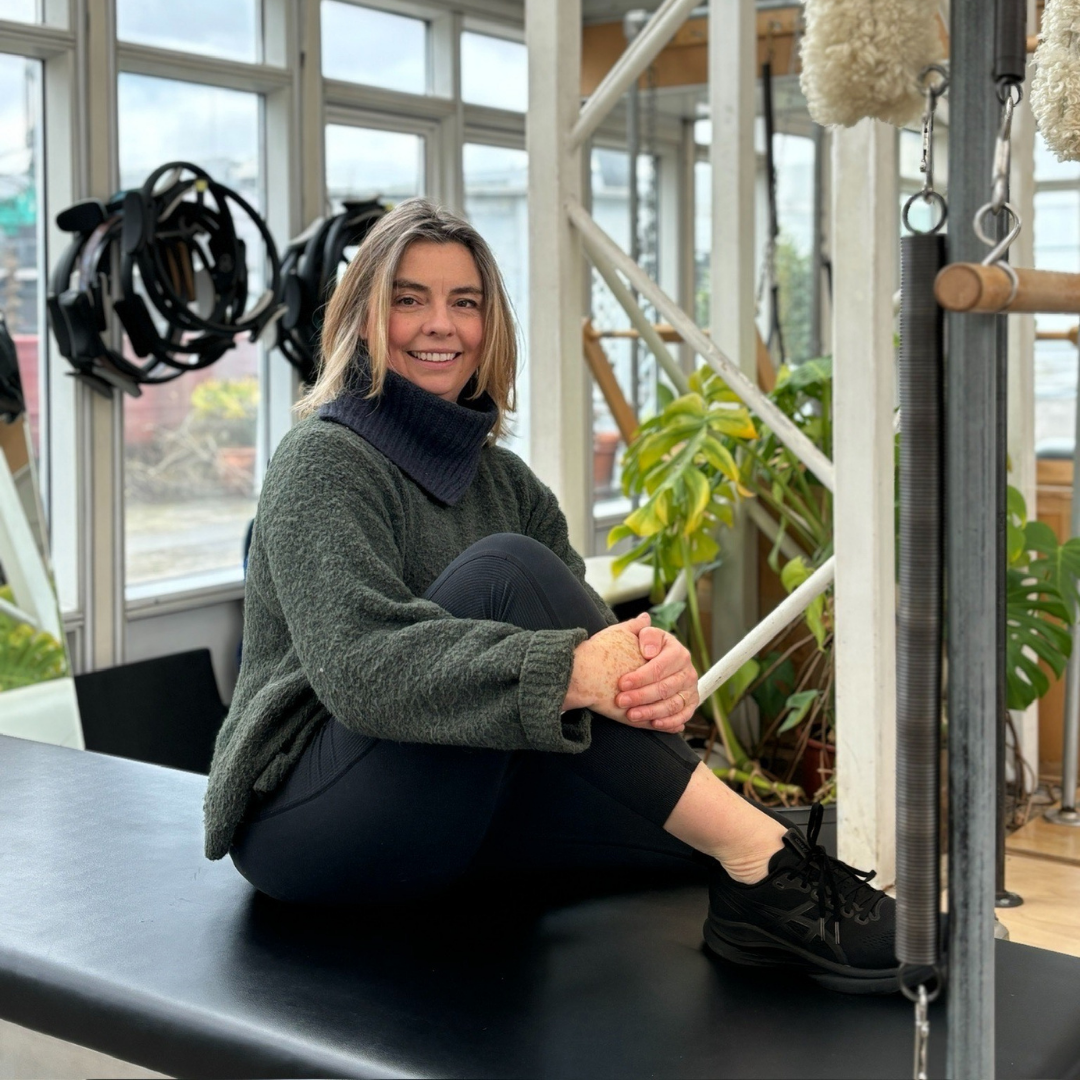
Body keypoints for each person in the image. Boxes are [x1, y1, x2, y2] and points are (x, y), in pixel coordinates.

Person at [204, 198, 903, 995]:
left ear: (489, 326)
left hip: (468, 809)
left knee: (779, 829)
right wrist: (577, 666)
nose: (441, 325)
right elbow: (363, 670)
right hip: (315, 824)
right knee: (507, 574)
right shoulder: (323, 461)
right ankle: (766, 863)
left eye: (464, 303)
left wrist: (648, 667)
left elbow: (586, 659)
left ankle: (771, 875)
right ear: (364, 318)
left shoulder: (510, 484)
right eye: (409, 300)